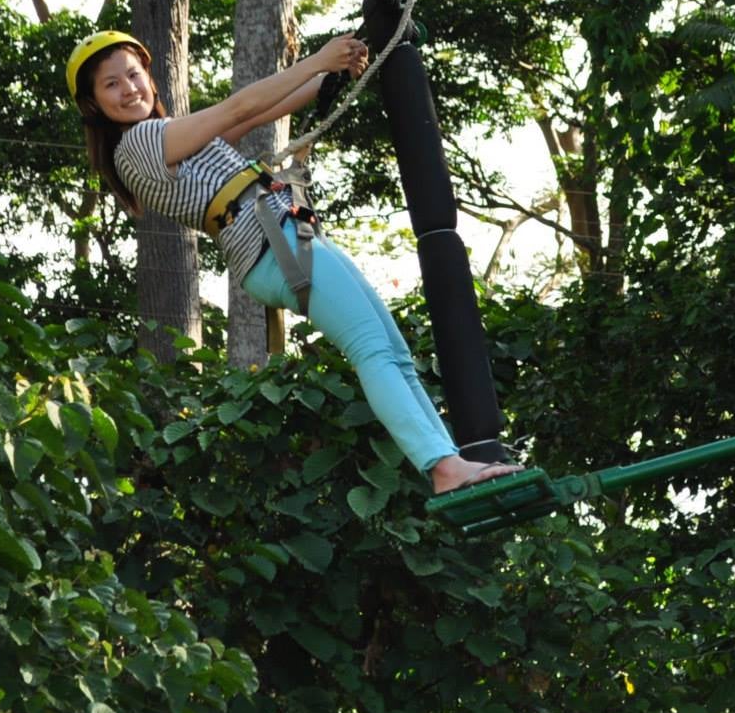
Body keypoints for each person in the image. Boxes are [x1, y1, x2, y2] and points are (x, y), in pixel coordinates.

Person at [66, 28, 518, 494]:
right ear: (94, 104)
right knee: (372, 349)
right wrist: (319, 59)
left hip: (283, 236)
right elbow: (238, 107)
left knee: (392, 352)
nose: (129, 89)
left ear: (151, 79)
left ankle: (450, 463)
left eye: (134, 75)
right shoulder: (140, 142)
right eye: (111, 84)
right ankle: (441, 466)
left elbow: (268, 107)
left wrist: (334, 72)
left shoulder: (174, 137)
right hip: (272, 244)